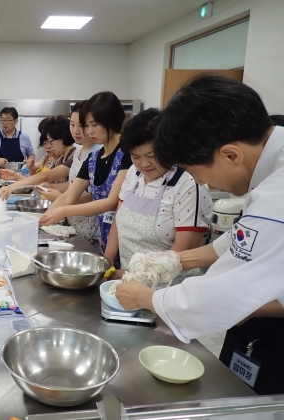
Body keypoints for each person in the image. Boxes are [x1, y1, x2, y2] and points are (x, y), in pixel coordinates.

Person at [114, 75, 284, 395]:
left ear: (231, 154)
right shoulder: (274, 165)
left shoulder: (277, 195)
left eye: (195, 171)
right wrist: (175, 259)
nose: (204, 184)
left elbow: (229, 293)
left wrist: (148, 298)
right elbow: (244, 239)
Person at [103, 108, 212, 283]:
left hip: (169, 287)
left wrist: (137, 277)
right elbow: (119, 218)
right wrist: (107, 260)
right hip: (129, 281)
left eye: (151, 156)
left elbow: (186, 247)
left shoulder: (189, 183)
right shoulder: (133, 173)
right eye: (135, 156)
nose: (144, 163)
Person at [40, 92, 132, 253]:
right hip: (103, 237)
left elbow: (111, 201)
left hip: (124, 239)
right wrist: (42, 221)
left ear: (111, 120)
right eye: (87, 126)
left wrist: (64, 210)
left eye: (94, 125)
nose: (89, 131)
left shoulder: (128, 154)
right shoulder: (94, 158)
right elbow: (68, 196)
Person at [0, 116, 77, 197]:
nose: (49, 146)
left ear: (62, 137)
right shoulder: (61, 159)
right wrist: (15, 176)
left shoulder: (74, 156)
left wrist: (12, 187)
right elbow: (64, 185)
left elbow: (46, 176)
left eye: (50, 141)